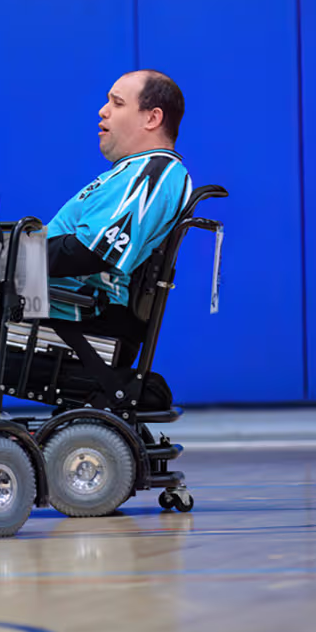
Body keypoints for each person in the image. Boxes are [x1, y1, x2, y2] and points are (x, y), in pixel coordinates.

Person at [41, 69, 192, 406]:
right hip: (65, 305)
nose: (102, 110)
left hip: (79, 315)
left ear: (152, 118)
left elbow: (91, 252)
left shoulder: (153, 172)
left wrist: (7, 255)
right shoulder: (132, 172)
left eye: (117, 103)